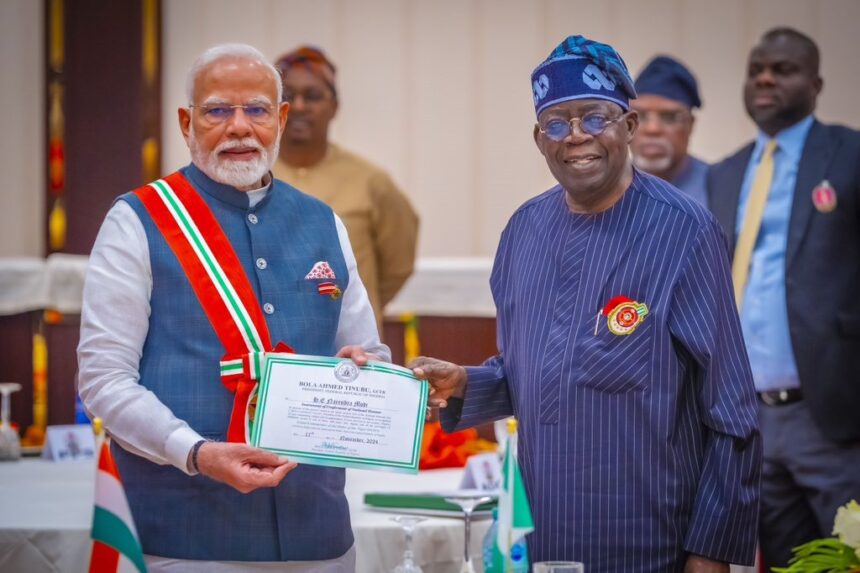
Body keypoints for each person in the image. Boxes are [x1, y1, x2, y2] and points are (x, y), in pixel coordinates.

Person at [412, 35, 761, 573]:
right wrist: (466, 383)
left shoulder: (684, 232)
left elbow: (732, 410)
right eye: (557, 123)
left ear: (629, 124)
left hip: (655, 547)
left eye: (594, 117)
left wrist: (711, 552)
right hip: (544, 542)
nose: (575, 137)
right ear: (538, 138)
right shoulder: (523, 233)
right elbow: (533, 373)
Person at [77, 43, 388, 571]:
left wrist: (367, 371)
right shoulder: (136, 220)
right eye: (218, 110)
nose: (239, 127)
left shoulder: (323, 221)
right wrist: (196, 453)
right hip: (183, 536)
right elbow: (104, 378)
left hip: (319, 533)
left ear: (281, 118)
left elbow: (369, 353)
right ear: (186, 122)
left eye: (258, 110)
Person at [708, 27, 860, 570]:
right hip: (750, 420)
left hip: (833, 416)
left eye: (783, 69)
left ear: (816, 84)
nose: (766, 78)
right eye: (756, 70)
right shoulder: (724, 174)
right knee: (789, 562)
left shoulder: (849, 156)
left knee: (849, 558)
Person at [272, 46, 419, 330]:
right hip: (272, 348)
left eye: (313, 96)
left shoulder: (370, 181)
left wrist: (356, 304)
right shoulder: (252, 178)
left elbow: (397, 266)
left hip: (352, 351)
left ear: (334, 107)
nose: (300, 106)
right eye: (288, 96)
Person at [631, 55, 708, 204]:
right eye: (640, 115)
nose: (652, 129)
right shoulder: (605, 187)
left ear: (690, 125)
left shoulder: (718, 188)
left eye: (669, 117)